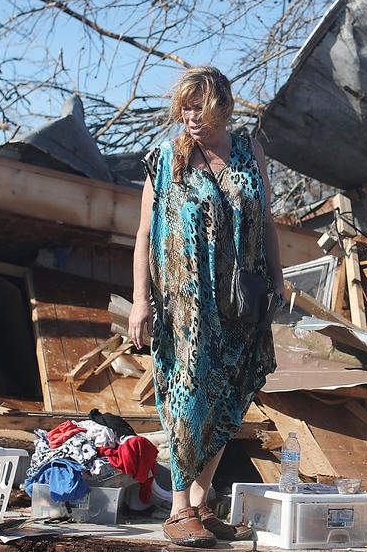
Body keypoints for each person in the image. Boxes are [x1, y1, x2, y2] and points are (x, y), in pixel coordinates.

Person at [128, 65, 283, 548]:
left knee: (230, 395)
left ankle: (199, 502)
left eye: (202, 107)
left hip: (241, 299)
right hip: (185, 303)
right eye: (186, 108)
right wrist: (139, 302)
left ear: (224, 106)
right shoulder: (164, 158)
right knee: (190, 395)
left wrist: (278, 278)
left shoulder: (248, 151)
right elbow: (144, 235)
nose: (192, 117)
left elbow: (267, 221)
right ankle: (177, 509)